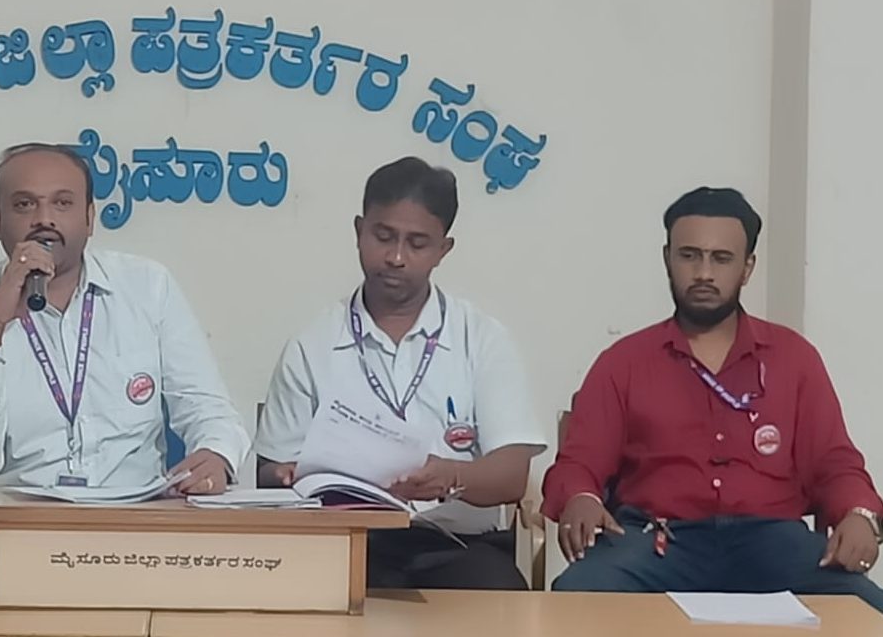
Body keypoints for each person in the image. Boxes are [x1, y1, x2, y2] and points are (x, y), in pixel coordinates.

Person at [543, 186, 883, 610]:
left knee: (866, 610)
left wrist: (860, 514)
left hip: (773, 542)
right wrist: (581, 497)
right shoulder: (623, 362)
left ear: (747, 268)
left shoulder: (793, 358)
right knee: (576, 596)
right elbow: (578, 463)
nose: (704, 273)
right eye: (689, 255)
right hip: (657, 543)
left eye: (721, 259)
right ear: (667, 258)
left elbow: (835, 464)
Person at [0, 143, 251, 579]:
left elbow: (208, 407)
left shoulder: (147, 288)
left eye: (62, 203)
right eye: (24, 205)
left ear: (89, 217)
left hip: (138, 526)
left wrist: (216, 454)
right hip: (15, 532)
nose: (44, 219)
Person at [255, 156, 545, 590]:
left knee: (500, 595)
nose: (395, 257)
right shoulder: (311, 345)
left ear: (444, 249)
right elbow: (268, 471)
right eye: (383, 236)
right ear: (359, 231)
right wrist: (284, 474)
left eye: (417, 244)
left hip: (458, 545)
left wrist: (452, 476)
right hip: (345, 544)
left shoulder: (481, 338)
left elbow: (511, 475)